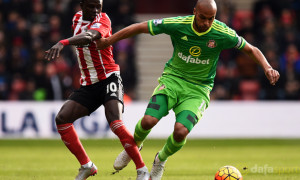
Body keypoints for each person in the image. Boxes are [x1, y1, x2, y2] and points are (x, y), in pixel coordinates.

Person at [96, 0, 281, 179]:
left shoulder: (222, 32)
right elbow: (140, 26)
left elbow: (251, 49)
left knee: (180, 131)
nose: (207, 23)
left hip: (198, 89)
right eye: (203, 18)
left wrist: (267, 67)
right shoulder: (178, 24)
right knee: (148, 121)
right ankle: (134, 146)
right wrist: (109, 41)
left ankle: (160, 160)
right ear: (194, 12)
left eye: (211, 18)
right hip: (172, 80)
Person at [44, 0, 150, 180]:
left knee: (115, 122)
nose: (95, 10)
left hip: (109, 78)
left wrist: (63, 42)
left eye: (98, 6)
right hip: (89, 84)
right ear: (81, 5)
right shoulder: (76, 19)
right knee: (62, 119)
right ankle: (87, 166)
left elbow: (88, 37)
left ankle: (143, 171)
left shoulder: (103, 20)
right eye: (91, 6)